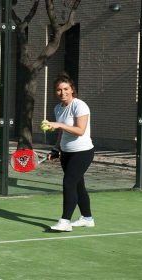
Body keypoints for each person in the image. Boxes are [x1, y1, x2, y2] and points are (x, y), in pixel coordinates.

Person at [46, 72, 95, 232]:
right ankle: (87, 218)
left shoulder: (79, 105)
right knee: (78, 185)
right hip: (66, 153)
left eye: (66, 89)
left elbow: (80, 130)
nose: (63, 92)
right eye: (59, 90)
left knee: (69, 183)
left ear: (72, 89)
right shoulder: (58, 108)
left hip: (82, 152)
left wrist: (59, 125)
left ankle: (65, 221)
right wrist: (55, 149)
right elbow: (62, 133)